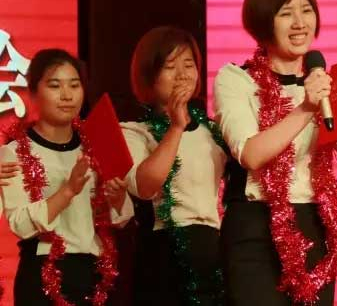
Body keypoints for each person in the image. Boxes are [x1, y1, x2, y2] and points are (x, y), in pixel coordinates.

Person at [214, 0, 337, 305]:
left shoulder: (325, 84)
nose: (300, 23)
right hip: (255, 226)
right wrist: (306, 107)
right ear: (263, 21)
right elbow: (251, 154)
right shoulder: (236, 79)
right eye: (286, 13)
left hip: (313, 224)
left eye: (306, 10)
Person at [0, 48, 133, 305]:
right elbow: (20, 223)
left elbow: (121, 217)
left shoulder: (98, 144)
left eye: (74, 85)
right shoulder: (13, 152)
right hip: (42, 274)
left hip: (95, 275)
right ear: (33, 93)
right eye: (54, 85)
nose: (67, 95)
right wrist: (67, 191)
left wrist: (117, 197)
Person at [122, 26, 227, 305]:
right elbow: (145, 186)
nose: (182, 74)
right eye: (170, 66)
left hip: (210, 249)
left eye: (189, 64)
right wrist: (176, 127)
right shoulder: (135, 132)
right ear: (149, 75)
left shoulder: (213, 131)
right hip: (163, 252)